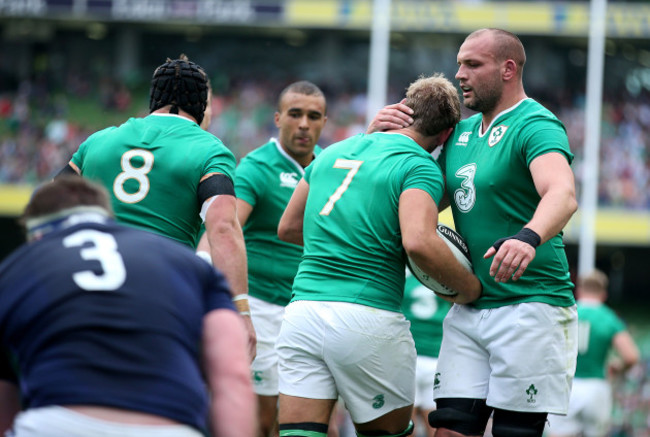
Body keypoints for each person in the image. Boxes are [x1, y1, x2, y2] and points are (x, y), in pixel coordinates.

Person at [369, 28, 579, 437]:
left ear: (508, 69)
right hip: (468, 308)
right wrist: (376, 139)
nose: (459, 74)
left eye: (472, 64)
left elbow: (562, 193)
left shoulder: (535, 123)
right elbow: (409, 199)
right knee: (448, 429)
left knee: (514, 432)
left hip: (531, 306)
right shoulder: (459, 134)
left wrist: (528, 236)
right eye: (459, 63)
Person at [276, 73, 482, 437]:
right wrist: (467, 288)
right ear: (446, 135)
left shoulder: (334, 150)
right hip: (367, 317)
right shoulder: (419, 166)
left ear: (402, 110)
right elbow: (418, 241)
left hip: (302, 311)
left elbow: (289, 227)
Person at [0, 176, 256, 437]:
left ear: (37, 234)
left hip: (54, 423)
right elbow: (232, 377)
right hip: (170, 427)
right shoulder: (187, 264)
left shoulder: (15, 268)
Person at [55, 55, 255, 358]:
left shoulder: (98, 141)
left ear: (154, 98)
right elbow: (224, 228)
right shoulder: (211, 151)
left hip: (87, 285)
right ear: (201, 105)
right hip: (160, 295)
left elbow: (47, 206)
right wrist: (240, 310)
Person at [199, 80, 329, 437]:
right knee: (259, 420)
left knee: (313, 424)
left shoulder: (329, 168)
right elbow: (224, 227)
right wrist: (202, 265)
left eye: (313, 116)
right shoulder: (257, 167)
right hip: (263, 309)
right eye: (295, 114)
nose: (304, 124)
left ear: (324, 122)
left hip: (310, 311)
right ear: (277, 118)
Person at [546, 269, 640, 437]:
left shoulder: (566, 312)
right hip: (596, 387)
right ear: (604, 293)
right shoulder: (609, 318)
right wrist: (618, 367)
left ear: (580, 290)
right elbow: (631, 356)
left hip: (565, 385)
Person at [402, 269, 452, 437]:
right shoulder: (443, 270)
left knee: (407, 427)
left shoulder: (402, 271)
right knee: (436, 427)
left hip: (410, 356)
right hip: (434, 356)